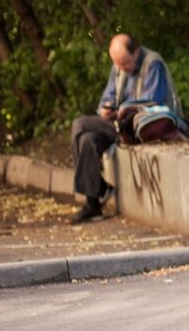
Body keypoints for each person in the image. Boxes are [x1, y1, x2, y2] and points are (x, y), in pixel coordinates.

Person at [69, 34, 182, 224]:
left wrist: (122, 111)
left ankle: (101, 188)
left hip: (143, 125)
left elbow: (152, 101)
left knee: (79, 124)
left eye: (125, 63)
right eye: (117, 64)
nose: (121, 68)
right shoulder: (118, 67)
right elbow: (108, 98)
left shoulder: (152, 64)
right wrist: (106, 109)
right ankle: (93, 205)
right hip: (119, 124)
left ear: (136, 52)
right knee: (87, 139)